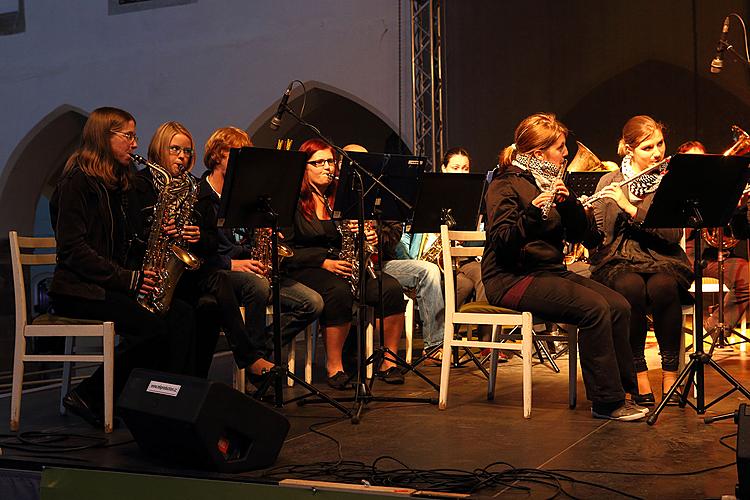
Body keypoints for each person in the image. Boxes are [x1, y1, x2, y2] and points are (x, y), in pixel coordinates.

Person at [483, 112, 645, 421]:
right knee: (594, 308)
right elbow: (503, 240)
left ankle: (627, 392)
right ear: (537, 153)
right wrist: (532, 211)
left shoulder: (552, 182)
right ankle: (606, 402)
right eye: (559, 147)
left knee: (618, 305)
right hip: (510, 277)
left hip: (548, 272)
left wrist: (570, 204)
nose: (566, 153)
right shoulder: (504, 185)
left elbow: (587, 236)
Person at [49, 107, 197, 428]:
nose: (134, 144)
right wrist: (131, 280)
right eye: (128, 136)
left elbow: (128, 240)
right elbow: (74, 251)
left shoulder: (119, 183)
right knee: (154, 329)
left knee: (182, 315)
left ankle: (165, 404)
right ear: (105, 137)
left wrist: (160, 237)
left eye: (134, 136)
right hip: (77, 289)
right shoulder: (77, 183)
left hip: (109, 284)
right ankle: (90, 394)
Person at [135, 122, 270, 381]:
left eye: (187, 151)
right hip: (151, 271)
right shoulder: (140, 184)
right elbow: (134, 232)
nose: (182, 156)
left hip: (186, 275)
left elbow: (210, 242)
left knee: (210, 305)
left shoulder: (194, 188)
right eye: (175, 149)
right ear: (159, 148)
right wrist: (160, 229)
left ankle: (195, 382)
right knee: (215, 287)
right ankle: (248, 358)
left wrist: (197, 236)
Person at [200, 126, 324, 379]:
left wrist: (268, 240)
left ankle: (259, 351)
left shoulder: (247, 194)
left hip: (254, 267)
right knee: (256, 285)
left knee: (313, 303)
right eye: (236, 153)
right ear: (217, 155)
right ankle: (257, 365)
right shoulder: (201, 196)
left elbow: (251, 237)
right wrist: (234, 262)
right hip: (224, 272)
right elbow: (204, 249)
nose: (242, 161)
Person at [284, 139, 407, 389]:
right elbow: (287, 250)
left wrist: (367, 235)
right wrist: (323, 261)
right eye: (318, 162)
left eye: (330, 161)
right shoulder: (292, 201)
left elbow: (355, 235)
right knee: (337, 291)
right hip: (308, 268)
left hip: (344, 265)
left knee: (390, 288)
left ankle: (389, 361)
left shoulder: (342, 197)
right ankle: (335, 366)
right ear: (304, 167)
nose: (327, 167)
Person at [588, 115, 693, 406]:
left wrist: (629, 207)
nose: (658, 152)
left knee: (663, 287)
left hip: (662, 256)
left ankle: (671, 374)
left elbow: (672, 235)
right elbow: (600, 235)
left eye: (660, 143)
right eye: (648, 147)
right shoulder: (609, 180)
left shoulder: (669, 180)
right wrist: (583, 214)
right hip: (620, 257)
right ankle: (638, 372)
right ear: (630, 149)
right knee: (629, 287)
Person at [342, 144, 445, 364]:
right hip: (347, 264)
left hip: (381, 263)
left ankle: (434, 346)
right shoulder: (337, 194)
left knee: (429, 270)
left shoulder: (381, 192)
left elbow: (395, 229)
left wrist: (377, 237)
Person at [677, 140, 750, 339]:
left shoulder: (718, 186)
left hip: (715, 254)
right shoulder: (677, 188)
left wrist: (737, 207)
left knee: (748, 277)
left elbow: (734, 232)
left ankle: (716, 323)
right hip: (690, 256)